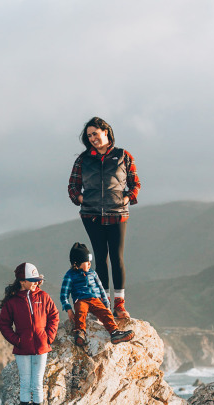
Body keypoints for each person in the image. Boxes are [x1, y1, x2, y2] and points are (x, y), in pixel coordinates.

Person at [68, 116, 141, 319]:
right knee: (100, 258)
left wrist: (127, 198)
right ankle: (102, 304)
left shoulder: (123, 156)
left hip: (117, 214)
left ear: (106, 132)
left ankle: (119, 304)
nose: (92, 138)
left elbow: (135, 184)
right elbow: (72, 186)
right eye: (89, 135)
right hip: (91, 215)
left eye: (95, 134)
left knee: (117, 258)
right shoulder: (83, 160)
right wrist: (81, 199)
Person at [0, 262, 59, 405]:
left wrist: (49, 337)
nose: (36, 283)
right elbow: (4, 324)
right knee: (25, 384)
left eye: (37, 280)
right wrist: (17, 340)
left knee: (37, 384)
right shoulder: (12, 301)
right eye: (32, 280)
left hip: (42, 347)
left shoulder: (43, 296)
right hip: (22, 349)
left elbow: (54, 315)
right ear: (22, 281)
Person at [60, 243, 134, 346]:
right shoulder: (70, 275)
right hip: (80, 300)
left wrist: (106, 305)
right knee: (80, 312)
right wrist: (69, 310)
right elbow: (64, 295)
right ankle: (80, 333)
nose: (90, 264)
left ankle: (114, 332)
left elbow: (101, 289)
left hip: (95, 299)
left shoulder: (93, 273)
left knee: (105, 313)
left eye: (90, 261)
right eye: (87, 262)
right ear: (76, 263)